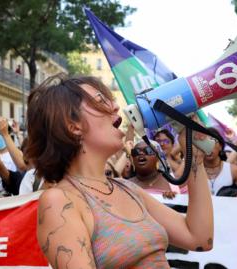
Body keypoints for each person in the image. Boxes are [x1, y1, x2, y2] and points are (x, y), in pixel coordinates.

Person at [27, 75, 213, 268]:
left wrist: (195, 157)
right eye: (100, 101)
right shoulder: (61, 201)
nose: (115, 106)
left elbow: (199, 238)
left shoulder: (128, 189)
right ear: (73, 126)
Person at [201, 128, 237, 196]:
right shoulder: (194, 171)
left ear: (220, 146)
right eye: (204, 143)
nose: (208, 147)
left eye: (212, 142)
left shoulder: (234, 170)